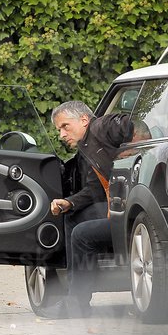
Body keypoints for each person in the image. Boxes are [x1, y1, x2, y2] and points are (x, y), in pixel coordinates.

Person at [42, 101, 133, 318]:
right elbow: (94, 189)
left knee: (81, 235)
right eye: (58, 130)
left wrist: (139, 144)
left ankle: (76, 304)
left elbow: (129, 122)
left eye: (65, 126)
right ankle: (76, 299)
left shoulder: (100, 127)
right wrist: (69, 202)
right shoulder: (88, 147)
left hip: (133, 211)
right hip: (121, 208)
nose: (61, 134)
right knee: (73, 216)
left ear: (84, 120)